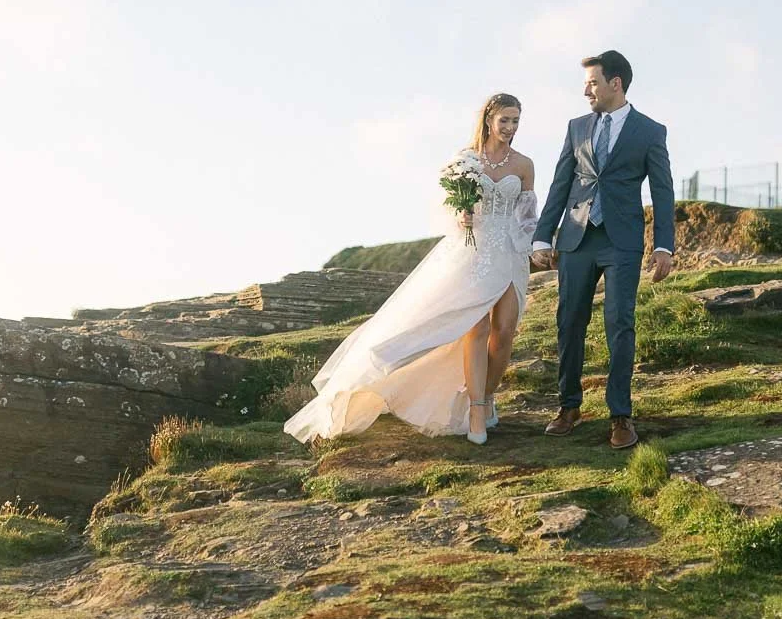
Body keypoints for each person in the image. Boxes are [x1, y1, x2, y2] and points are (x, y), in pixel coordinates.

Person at [285, 94, 538, 446]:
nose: (510, 128)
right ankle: (477, 407)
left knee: (505, 331)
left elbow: (526, 215)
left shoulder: (524, 164)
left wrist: (533, 248)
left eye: (516, 121)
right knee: (476, 328)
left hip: (509, 253)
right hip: (472, 251)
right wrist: (460, 215)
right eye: (505, 120)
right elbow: (446, 206)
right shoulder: (464, 160)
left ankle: (488, 393)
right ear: (488, 119)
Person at [530, 50, 675, 450]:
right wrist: (544, 236)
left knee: (619, 324)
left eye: (593, 82)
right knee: (569, 322)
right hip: (576, 238)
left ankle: (620, 415)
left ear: (616, 83)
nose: (585, 90)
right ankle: (569, 406)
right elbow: (561, 183)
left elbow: (662, 191)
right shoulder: (577, 127)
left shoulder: (650, 131)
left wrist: (664, 245)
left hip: (622, 240)